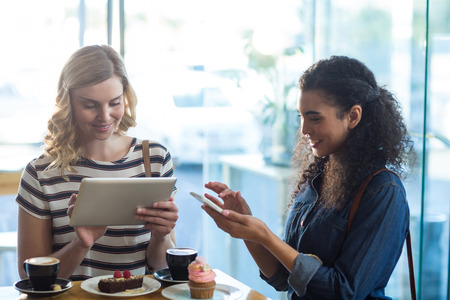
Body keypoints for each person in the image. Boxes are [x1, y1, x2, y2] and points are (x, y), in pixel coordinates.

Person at [203, 56, 414, 299]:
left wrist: (266, 236)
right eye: (301, 117)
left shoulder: (383, 190)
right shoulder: (320, 176)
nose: (304, 130)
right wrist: (248, 229)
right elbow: (285, 278)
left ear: (353, 116)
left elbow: (343, 292)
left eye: (315, 118)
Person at [16, 45, 179, 281]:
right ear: (68, 101)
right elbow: (28, 278)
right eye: (90, 105)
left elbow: (163, 267)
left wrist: (161, 236)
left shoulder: (154, 159)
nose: (104, 116)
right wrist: (81, 244)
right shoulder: (41, 173)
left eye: (114, 102)